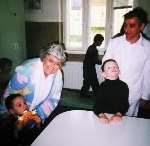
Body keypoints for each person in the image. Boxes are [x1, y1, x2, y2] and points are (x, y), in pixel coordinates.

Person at [103, 10, 150, 117]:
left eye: (132, 26)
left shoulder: (148, 48)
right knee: (110, 122)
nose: (127, 29)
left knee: (128, 125)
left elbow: (148, 73)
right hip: (113, 93)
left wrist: (145, 96)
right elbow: (105, 63)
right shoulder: (114, 42)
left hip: (132, 96)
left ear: (141, 27)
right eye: (125, 25)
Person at [3, 43, 66, 122]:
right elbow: (11, 92)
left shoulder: (58, 76)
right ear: (43, 57)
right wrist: (11, 114)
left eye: (57, 64)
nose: (53, 66)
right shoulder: (27, 70)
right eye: (50, 60)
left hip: (32, 113)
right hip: (13, 111)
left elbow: (53, 99)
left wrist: (38, 115)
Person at [94, 59, 129, 124]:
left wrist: (118, 114)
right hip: (104, 115)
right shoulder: (102, 86)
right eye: (109, 67)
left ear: (119, 71)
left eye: (115, 67)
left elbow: (124, 104)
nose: (113, 68)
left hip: (119, 116)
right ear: (104, 74)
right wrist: (102, 115)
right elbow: (97, 104)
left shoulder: (124, 86)